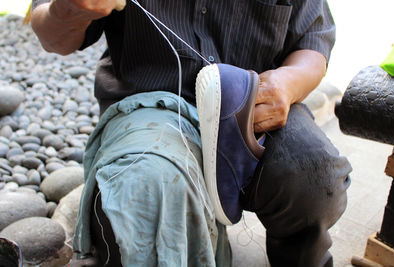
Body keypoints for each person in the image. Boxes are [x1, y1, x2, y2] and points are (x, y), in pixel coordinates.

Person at [30, 0, 352, 266]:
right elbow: (51, 35)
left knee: (315, 176)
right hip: (150, 102)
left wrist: (288, 82)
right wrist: (71, 8)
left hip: (253, 101)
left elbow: (313, 42)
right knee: (142, 183)